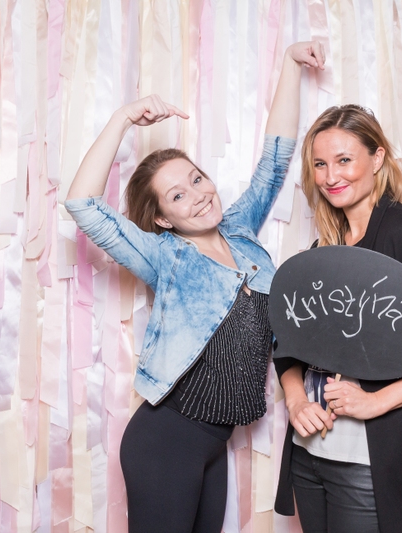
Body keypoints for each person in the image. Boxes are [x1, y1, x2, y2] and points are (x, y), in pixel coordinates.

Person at [64, 42, 325, 533]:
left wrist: (291, 64)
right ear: (163, 218)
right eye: (178, 195)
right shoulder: (164, 256)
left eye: (197, 179)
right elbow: (83, 205)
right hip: (166, 439)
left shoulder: (240, 231)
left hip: (213, 441)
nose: (200, 195)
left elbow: (275, 159)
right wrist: (123, 119)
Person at [273, 105, 402, 533]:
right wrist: (295, 401)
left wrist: (376, 402)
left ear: (378, 158)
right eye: (320, 164)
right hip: (309, 454)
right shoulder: (324, 248)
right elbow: (286, 340)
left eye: (344, 160)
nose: (331, 176)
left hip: (369, 463)